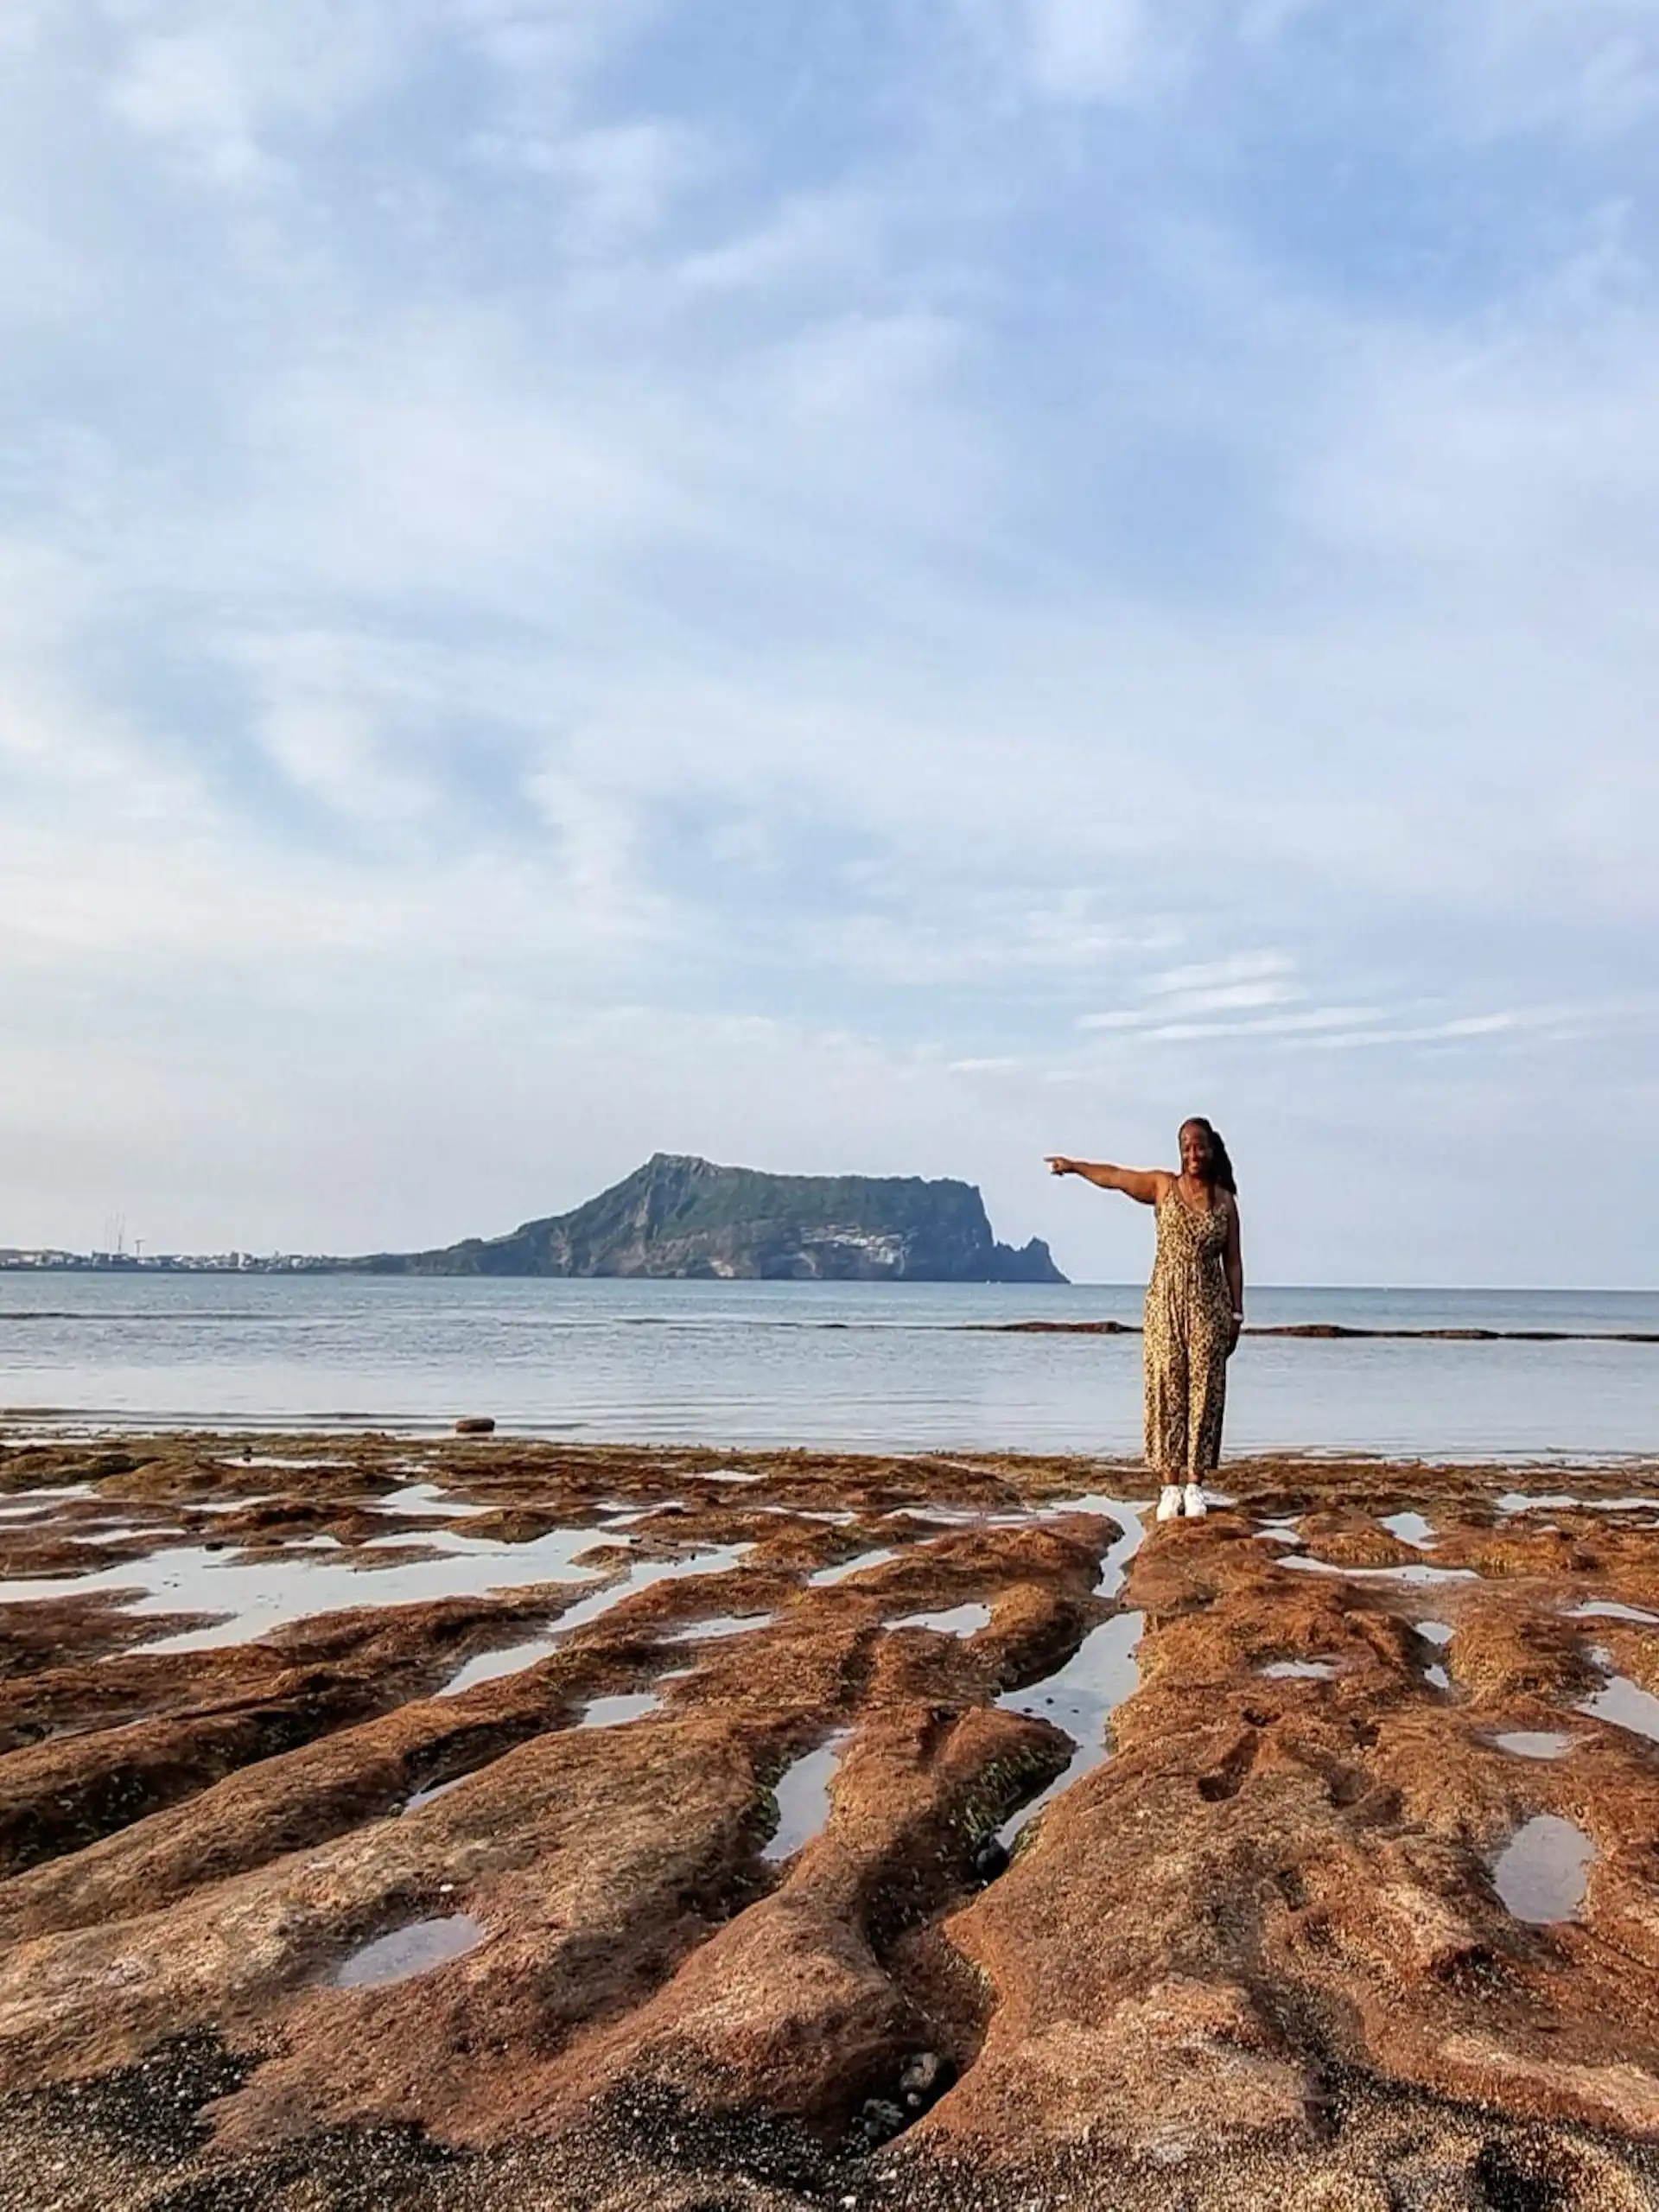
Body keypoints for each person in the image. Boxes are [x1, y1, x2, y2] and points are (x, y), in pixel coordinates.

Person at [1046, 1119, 1243, 1522]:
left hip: (1209, 1307)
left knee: (1204, 1391)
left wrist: (1237, 1313)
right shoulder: (1162, 1187)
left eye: (1200, 1147)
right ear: (1180, 1151)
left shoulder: (1225, 1202)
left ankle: (1195, 1485)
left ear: (1211, 1150)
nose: (1193, 1154)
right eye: (1186, 1147)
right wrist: (1075, 1167)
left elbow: (1234, 1261)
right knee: (1167, 1385)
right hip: (1164, 1305)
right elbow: (1117, 1177)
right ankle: (1169, 1487)